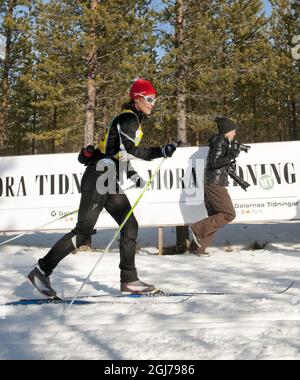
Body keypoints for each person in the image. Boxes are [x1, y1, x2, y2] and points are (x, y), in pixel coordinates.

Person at [28, 78, 177, 296]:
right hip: (99, 177)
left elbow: (117, 154)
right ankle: (41, 270)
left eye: (155, 100)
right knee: (83, 232)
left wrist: (133, 175)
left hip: (107, 177)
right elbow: (129, 150)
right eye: (149, 99)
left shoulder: (131, 119)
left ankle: (130, 280)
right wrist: (160, 151)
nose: (153, 103)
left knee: (129, 224)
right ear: (137, 98)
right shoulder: (129, 118)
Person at [189, 116, 240, 256]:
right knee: (229, 214)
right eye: (233, 131)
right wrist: (232, 155)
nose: (235, 133)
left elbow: (218, 162)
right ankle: (197, 228)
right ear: (227, 130)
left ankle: (198, 248)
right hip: (215, 184)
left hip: (212, 182)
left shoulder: (221, 142)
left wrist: (231, 154)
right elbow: (215, 162)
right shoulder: (220, 141)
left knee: (215, 217)